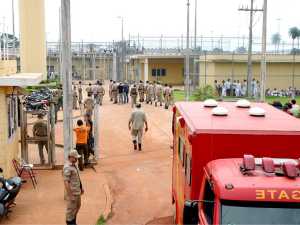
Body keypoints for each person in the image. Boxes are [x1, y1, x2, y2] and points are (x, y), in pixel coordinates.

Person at [63, 150, 84, 225]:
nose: (77, 159)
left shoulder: (74, 165)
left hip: (77, 191)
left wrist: (81, 187)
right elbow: (66, 182)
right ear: (71, 157)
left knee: (78, 206)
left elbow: (77, 177)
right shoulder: (67, 167)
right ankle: (70, 223)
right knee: (70, 210)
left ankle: (73, 221)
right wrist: (70, 195)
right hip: (73, 193)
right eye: (75, 158)